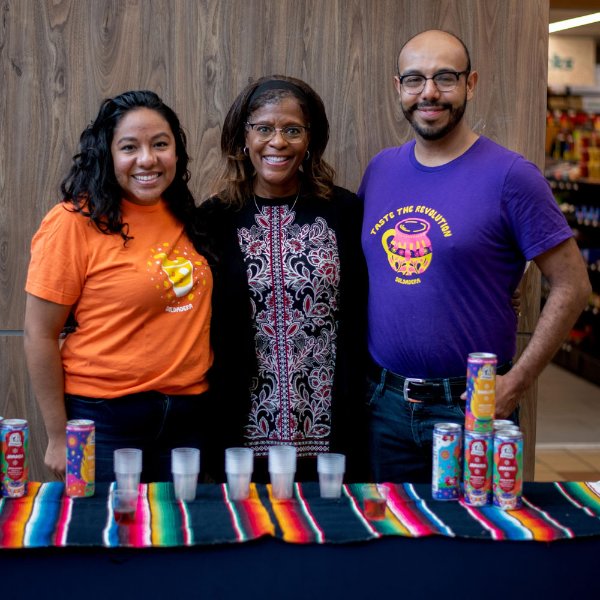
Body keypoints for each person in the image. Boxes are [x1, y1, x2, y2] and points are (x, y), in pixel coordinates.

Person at [359, 30, 591, 483]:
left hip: (472, 407)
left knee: (477, 544)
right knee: (389, 544)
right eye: (414, 79)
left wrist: (517, 383)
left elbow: (573, 284)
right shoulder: (381, 169)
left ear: (472, 83)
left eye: (445, 77)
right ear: (398, 87)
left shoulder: (512, 176)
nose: (429, 92)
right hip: (383, 406)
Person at [24, 90, 213, 482]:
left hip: (188, 417)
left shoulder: (185, 215)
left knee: (181, 534)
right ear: (107, 155)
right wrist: (59, 437)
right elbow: (39, 333)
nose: (147, 159)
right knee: (110, 535)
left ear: (176, 152)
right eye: (130, 147)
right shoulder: (73, 222)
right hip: (105, 420)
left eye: (160, 144)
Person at [200, 75, 368, 481]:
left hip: (333, 426)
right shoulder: (213, 218)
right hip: (237, 425)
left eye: (292, 130)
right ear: (244, 137)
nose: (278, 142)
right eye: (264, 129)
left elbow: (382, 288)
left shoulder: (343, 211)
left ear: (310, 139)